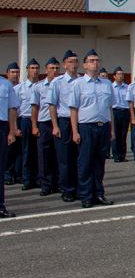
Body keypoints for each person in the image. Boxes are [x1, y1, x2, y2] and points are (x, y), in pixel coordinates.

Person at [69, 50, 114, 208]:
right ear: (85, 64)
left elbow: (110, 109)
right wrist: (75, 131)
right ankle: (86, 196)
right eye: (91, 60)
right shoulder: (78, 84)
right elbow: (73, 109)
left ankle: (98, 194)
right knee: (85, 163)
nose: (95, 63)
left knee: (99, 163)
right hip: (86, 127)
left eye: (97, 60)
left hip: (103, 127)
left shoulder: (107, 84)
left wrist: (112, 129)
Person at [48, 49, 80, 199]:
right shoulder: (57, 82)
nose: (73, 65)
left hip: (81, 122)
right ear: (64, 65)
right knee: (65, 158)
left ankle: (80, 188)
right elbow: (52, 105)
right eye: (70, 62)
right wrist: (55, 126)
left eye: (75, 62)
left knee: (80, 157)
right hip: (64, 122)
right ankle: (67, 190)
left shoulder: (82, 80)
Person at [31, 58, 60, 197]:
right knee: (44, 155)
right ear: (46, 70)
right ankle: (46, 185)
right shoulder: (39, 86)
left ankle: (58, 183)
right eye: (52, 68)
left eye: (56, 68)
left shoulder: (62, 84)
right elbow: (35, 108)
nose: (54, 71)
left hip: (59, 122)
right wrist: (34, 125)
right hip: (44, 123)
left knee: (59, 154)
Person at [13, 59, 39, 188]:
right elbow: (15, 109)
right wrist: (15, 127)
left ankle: (38, 178)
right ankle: (27, 179)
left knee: (38, 151)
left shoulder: (41, 86)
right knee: (26, 151)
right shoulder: (20, 88)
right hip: (25, 120)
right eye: (32, 68)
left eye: (36, 68)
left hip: (39, 122)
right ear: (27, 70)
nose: (35, 71)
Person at [0, 68, 19, 217]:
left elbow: (12, 109)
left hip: (2, 127)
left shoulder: (6, 85)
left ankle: (0, 206)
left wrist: (12, 131)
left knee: (0, 168)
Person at [109, 66, 130, 162]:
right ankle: (116, 155)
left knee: (123, 134)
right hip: (115, 111)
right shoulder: (111, 87)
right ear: (114, 76)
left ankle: (123, 155)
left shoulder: (127, 87)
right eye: (119, 74)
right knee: (115, 134)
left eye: (122, 74)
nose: (121, 76)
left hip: (125, 111)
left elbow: (129, 101)